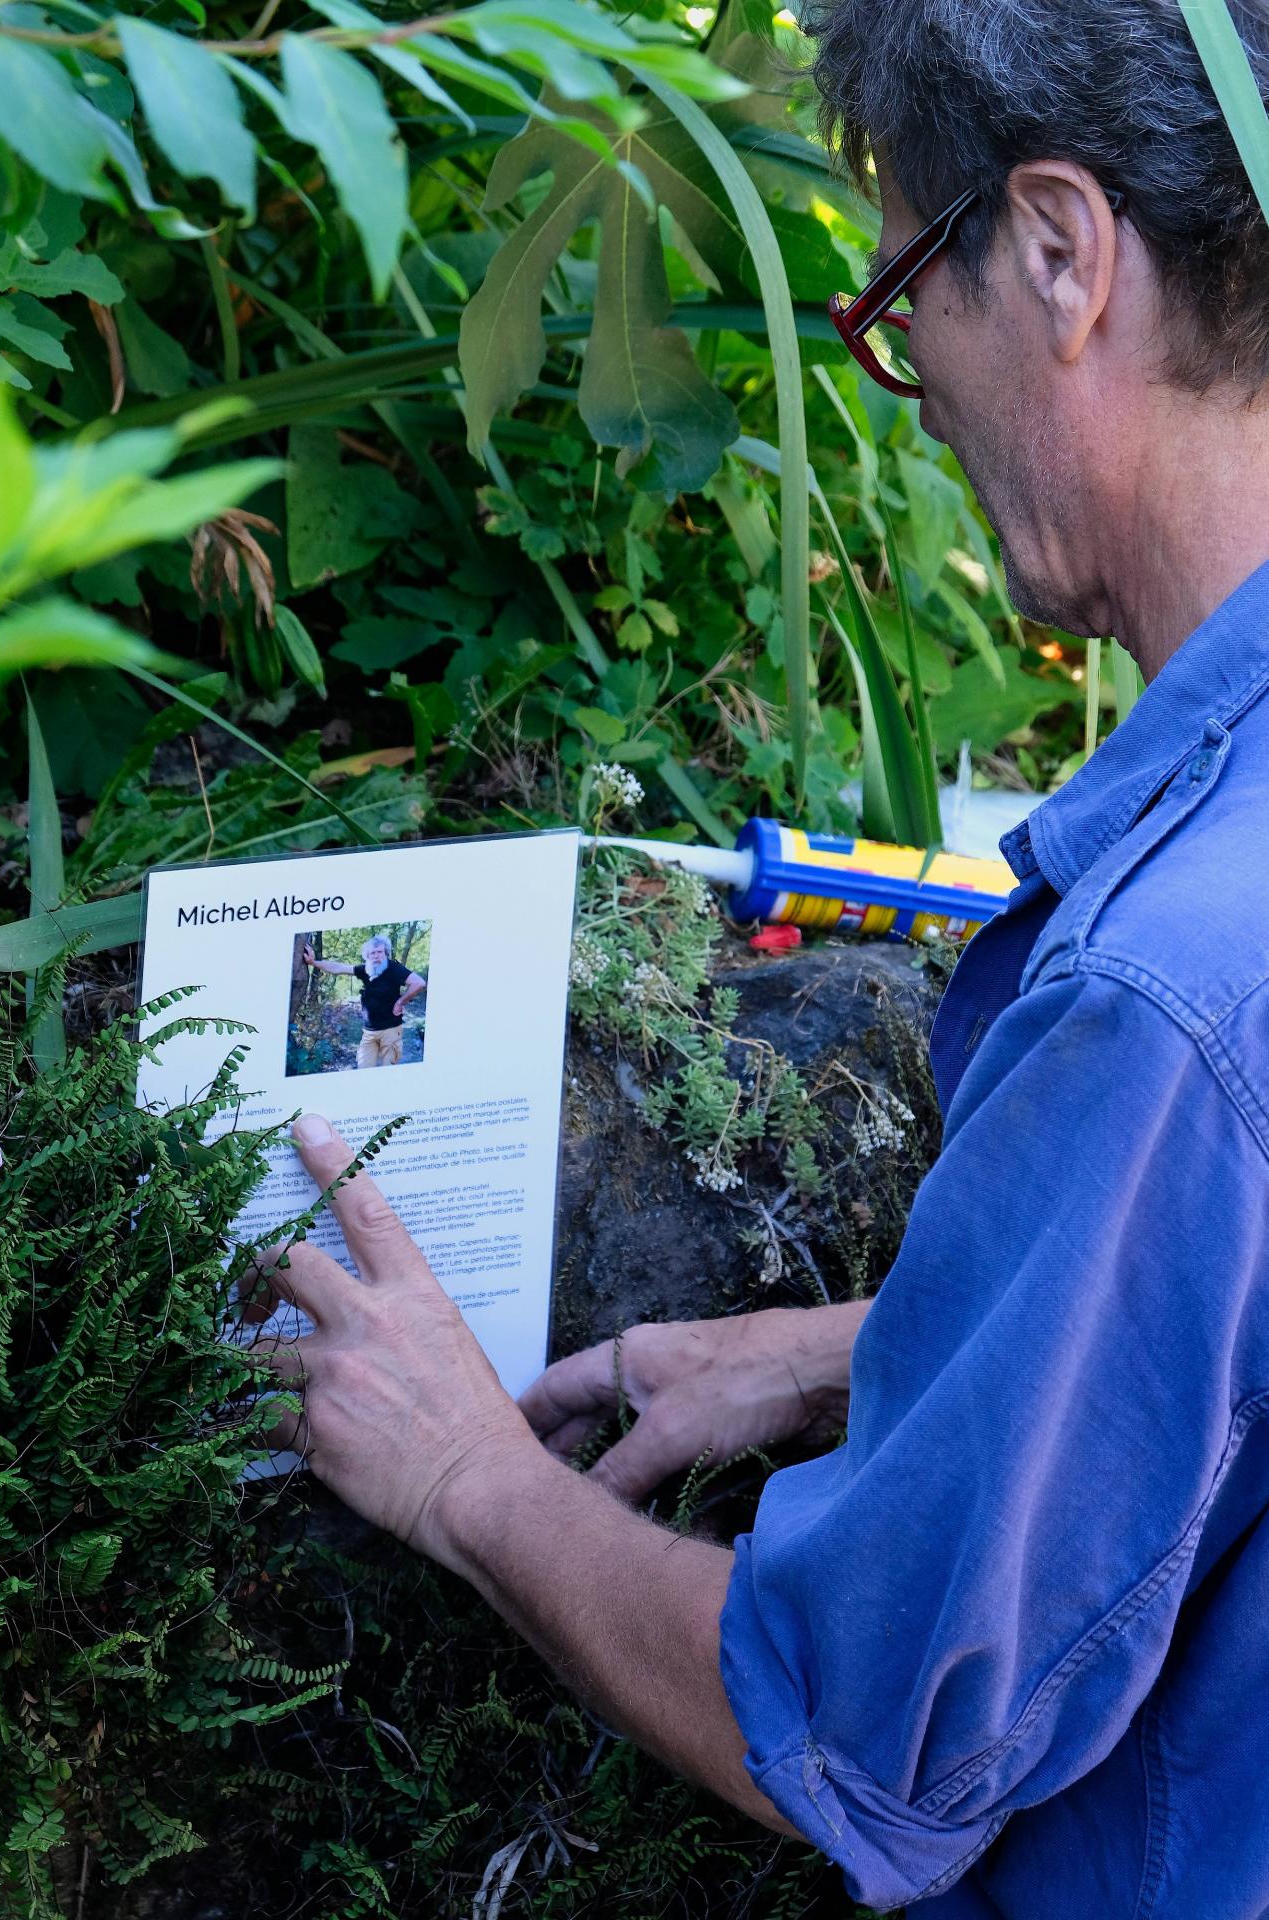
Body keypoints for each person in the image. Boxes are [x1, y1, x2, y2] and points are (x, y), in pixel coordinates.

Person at [254, 5, 1269, 1912]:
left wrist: (469, 1475)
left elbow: (864, 1741)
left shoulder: (1166, 998)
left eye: (899, 305)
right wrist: (871, 1357)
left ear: (1055, 254)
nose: (917, 393)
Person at [302, 933, 426, 1069]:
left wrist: (400, 1002)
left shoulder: (394, 969)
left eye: (380, 952)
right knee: (363, 1068)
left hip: (390, 1031)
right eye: (372, 953)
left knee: (389, 1072)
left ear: (386, 953)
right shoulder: (367, 969)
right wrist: (313, 962)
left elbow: (419, 983)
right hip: (369, 1032)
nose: (376, 956)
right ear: (367, 956)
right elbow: (339, 968)